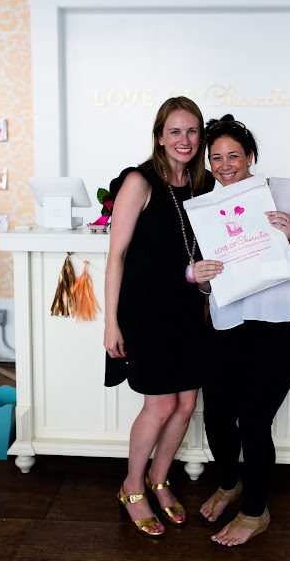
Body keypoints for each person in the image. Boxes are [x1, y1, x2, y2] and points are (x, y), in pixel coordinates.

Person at [194, 114, 290, 548]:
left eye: (233, 155)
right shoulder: (204, 207)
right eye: (216, 158)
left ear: (250, 156)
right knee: (216, 415)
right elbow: (205, 279)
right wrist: (202, 278)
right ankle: (230, 484)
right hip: (230, 323)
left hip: (286, 325)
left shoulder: (285, 190)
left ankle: (255, 512)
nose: (225, 165)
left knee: (253, 419)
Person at [104, 96, 215, 537]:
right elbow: (117, 256)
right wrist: (110, 322)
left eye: (192, 131)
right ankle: (132, 487)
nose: (184, 140)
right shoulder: (140, 181)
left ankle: (158, 479)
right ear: (159, 136)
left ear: (200, 138)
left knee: (186, 404)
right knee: (162, 403)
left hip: (187, 310)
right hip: (145, 310)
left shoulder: (202, 185)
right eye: (175, 131)